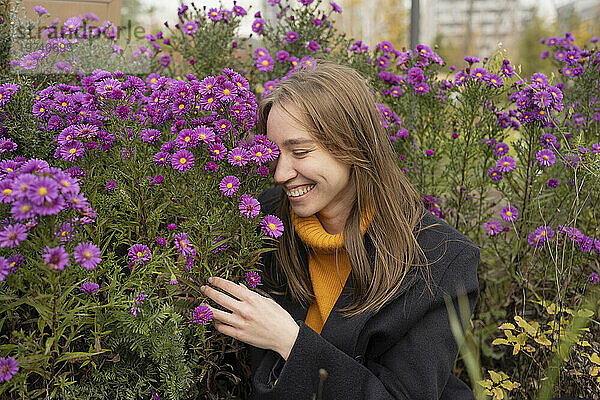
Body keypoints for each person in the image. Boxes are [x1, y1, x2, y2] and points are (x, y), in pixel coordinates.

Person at [199, 62, 480, 399]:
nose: (280, 173)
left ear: (352, 146)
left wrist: (289, 340)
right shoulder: (264, 221)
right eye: (275, 153)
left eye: (300, 151)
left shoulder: (441, 260)